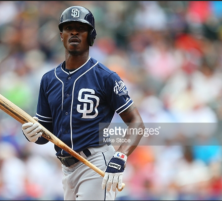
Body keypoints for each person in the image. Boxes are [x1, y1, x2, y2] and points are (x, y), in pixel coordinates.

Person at [22, 6, 145, 200]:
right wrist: (32, 134)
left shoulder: (106, 77)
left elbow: (136, 122)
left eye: (81, 28)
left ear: (91, 36)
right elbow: (45, 133)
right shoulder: (48, 79)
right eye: (68, 27)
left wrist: (120, 156)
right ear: (61, 35)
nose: (74, 32)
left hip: (95, 162)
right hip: (66, 168)